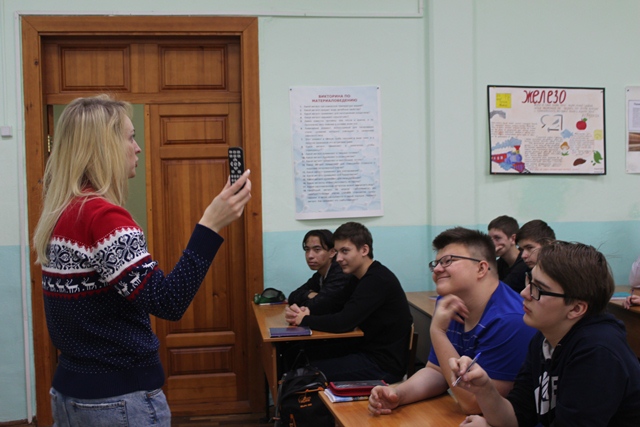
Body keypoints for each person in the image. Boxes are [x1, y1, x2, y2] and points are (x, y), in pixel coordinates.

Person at [32, 95, 252, 427]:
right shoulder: (103, 217)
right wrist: (211, 224)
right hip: (118, 400)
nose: (137, 148)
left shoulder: (61, 212)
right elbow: (168, 301)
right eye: (130, 137)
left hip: (70, 396)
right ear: (104, 146)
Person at [453, 241, 640, 427]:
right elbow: (517, 417)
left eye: (538, 289)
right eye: (529, 280)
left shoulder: (597, 353)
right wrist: (485, 389)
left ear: (576, 308)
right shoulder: (544, 339)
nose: (524, 293)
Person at [368, 227, 536, 415]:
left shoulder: (510, 320)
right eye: (436, 263)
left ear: (481, 268)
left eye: (448, 261)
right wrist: (398, 394)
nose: (437, 269)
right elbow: (437, 371)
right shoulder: (450, 302)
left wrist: (437, 332)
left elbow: (474, 405)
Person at [284, 222, 413, 384]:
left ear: (364, 250)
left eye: (345, 251)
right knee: (295, 352)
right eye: (337, 252)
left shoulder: (377, 280)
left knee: (302, 374)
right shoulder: (357, 278)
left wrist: (304, 320)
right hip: (362, 350)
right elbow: (334, 304)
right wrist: (306, 312)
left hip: (382, 365)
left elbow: (343, 322)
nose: (338, 258)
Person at [287, 229, 351, 315]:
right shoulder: (320, 275)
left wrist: (314, 300)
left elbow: (318, 307)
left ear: (332, 252)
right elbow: (292, 297)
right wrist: (309, 294)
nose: (310, 256)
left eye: (317, 249)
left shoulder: (340, 273)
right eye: (307, 249)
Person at [488, 215, 528, 292]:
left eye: (497, 238)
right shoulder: (500, 263)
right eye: (490, 239)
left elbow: (501, 291)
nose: (492, 243)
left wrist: (490, 257)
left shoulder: (524, 264)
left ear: (513, 239)